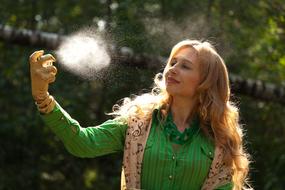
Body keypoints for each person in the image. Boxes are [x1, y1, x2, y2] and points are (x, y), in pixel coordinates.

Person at [29, 39, 251, 190]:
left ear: (205, 82)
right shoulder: (138, 122)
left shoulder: (221, 141)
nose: (172, 69)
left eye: (185, 66)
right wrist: (43, 98)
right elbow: (83, 143)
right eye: (172, 62)